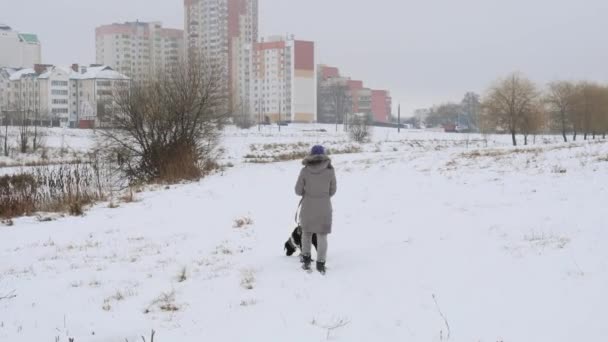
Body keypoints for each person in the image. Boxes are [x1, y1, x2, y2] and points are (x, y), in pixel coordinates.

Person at [295, 145, 337, 273]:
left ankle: (306, 261)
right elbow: (333, 190)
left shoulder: (304, 171)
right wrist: (323, 196)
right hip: (324, 207)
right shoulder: (330, 171)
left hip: (308, 207)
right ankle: (320, 264)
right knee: (322, 236)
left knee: (306, 234)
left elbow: (297, 191)